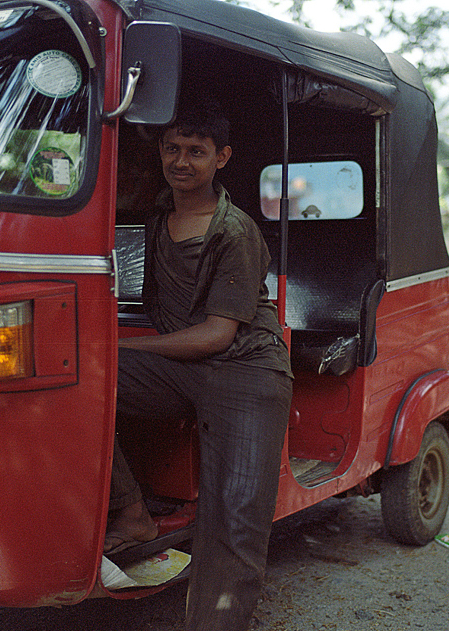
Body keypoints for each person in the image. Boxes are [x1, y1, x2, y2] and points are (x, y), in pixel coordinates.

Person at [107, 100, 293, 631]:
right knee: (81, 386)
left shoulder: (234, 231)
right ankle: (132, 514)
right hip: (185, 366)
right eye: (173, 149)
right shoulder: (157, 213)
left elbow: (217, 335)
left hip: (248, 371)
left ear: (222, 158)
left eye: (196, 152)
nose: (181, 161)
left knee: (233, 520)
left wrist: (125, 348)